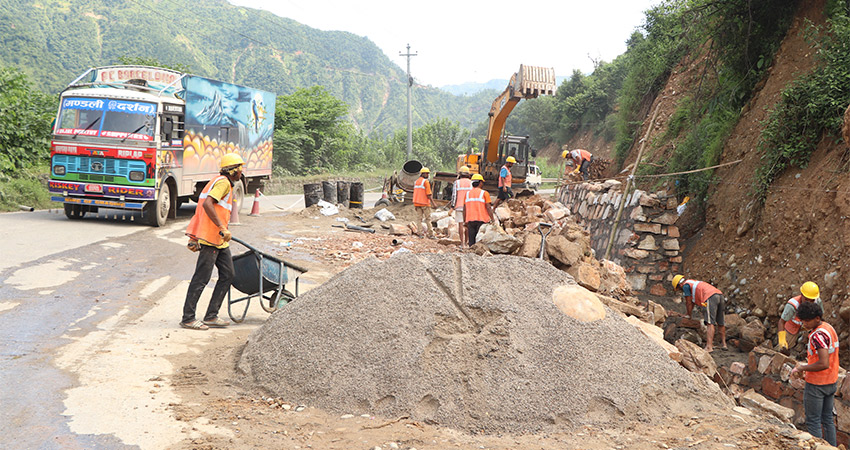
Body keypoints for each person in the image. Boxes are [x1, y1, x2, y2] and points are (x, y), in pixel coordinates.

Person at [180, 153, 244, 330]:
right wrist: (221, 227)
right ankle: (188, 318)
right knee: (201, 278)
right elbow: (207, 204)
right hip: (211, 238)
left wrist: (194, 236)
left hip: (220, 240)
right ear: (233, 171)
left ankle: (211, 316)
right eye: (240, 168)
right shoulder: (223, 183)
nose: (242, 172)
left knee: (228, 274)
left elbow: (201, 211)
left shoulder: (219, 181)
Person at [790, 301, 838, 446]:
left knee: (813, 421)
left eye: (807, 321)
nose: (804, 324)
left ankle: (817, 447)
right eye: (803, 321)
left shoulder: (818, 336)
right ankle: (831, 447)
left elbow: (823, 363)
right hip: (831, 380)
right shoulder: (828, 328)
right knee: (827, 419)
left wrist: (802, 368)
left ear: (817, 318)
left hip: (817, 384)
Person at [672, 274, 727, 352]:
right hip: (719, 295)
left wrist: (688, 315)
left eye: (678, 289)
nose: (680, 290)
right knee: (720, 322)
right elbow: (692, 301)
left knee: (710, 322)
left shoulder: (686, 286)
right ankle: (724, 344)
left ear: (679, 285)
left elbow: (688, 302)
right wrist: (688, 313)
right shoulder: (692, 283)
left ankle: (709, 347)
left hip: (710, 297)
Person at [778, 281, 822, 350]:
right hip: (792, 326)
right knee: (784, 347)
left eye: (812, 300)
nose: (809, 303)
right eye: (806, 300)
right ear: (802, 295)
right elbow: (782, 322)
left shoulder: (817, 302)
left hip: (809, 326)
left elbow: (820, 318)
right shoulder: (792, 305)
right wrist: (782, 339)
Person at [464, 174, 494, 246]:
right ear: (480, 183)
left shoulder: (467, 194)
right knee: (480, 243)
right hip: (481, 220)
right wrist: (492, 219)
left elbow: (464, 208)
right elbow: (488, 207)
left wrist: (465, 220)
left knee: (471, 242)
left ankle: (471, 252)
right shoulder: (484, 193)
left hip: (470, 220)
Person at [451, 166, 473, 248]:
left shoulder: (457, 182)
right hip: (469, 206)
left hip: (459, 206)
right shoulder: (471, 183)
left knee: (460, 224)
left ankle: (462, 243)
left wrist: (452, 206)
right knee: (467, 224)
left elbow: (454, 195)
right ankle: (467, 242)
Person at [413, 167, 437, 238]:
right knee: (428, 219)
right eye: (427, 173)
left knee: (419, 219)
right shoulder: (426, 182)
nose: (428, 175)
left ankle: (420, 233)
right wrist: (433, 203)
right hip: (425, 203)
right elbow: (429, 194)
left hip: (417, 203)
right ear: (423, 174)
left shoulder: (416, 181)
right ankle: (431, 234)